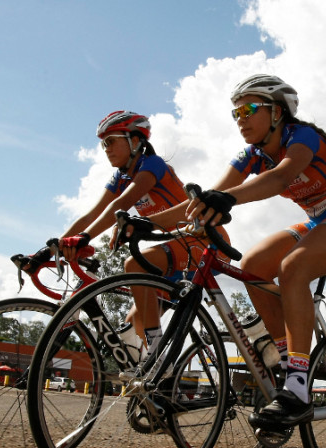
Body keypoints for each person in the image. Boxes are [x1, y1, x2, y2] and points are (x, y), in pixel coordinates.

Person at [188, 74, 326, 429]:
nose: (240, 119)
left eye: (247, 109)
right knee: (253, 265)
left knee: (293, 267)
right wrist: (147, 224)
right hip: (320, 221)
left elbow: (280, 177)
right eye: (235, 114)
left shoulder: (303, 137)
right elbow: (209, 195)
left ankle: (298, 383)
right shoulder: (253, 155)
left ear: (276, 112)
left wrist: (229, 198)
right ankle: (286, 363)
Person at [58, 111, 227, 352]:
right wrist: (55, 246)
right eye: (102, 144)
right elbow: (92, 213)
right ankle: (161, 379)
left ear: (135, 141)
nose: (105, 149)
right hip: (173, 250)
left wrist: (84, 238)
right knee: (134, 326)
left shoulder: (152, 165)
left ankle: (157, 355)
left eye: (110, 141)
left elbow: (119, 206)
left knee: (135, 265)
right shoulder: (121, 176)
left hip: (203, 241)